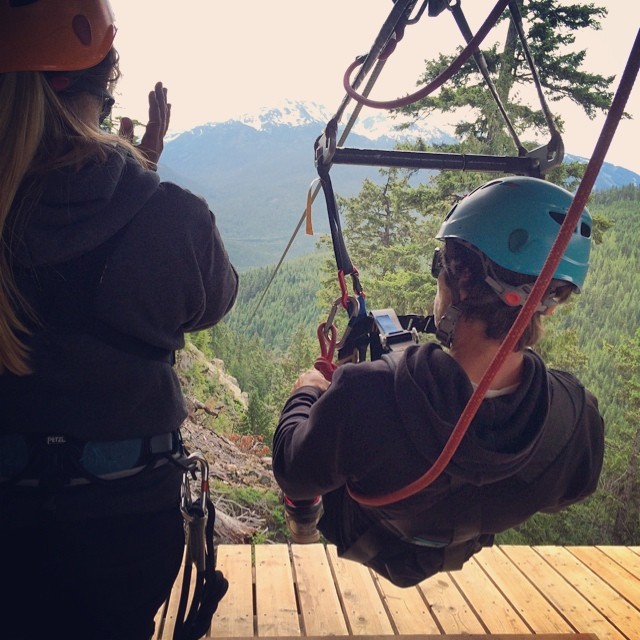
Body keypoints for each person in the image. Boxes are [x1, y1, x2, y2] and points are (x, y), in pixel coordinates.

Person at [0, 1, 238, 639]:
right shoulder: (170, 215)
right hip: (124, 526)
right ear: (103, 87)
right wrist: (140, 177)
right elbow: (213, 299)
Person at [273, 176, 605, 587]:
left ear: (463, 280)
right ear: (550, 305)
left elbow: (294, 471)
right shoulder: (573, 417)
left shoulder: (365, 395)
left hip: (363, 530)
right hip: (461, 544)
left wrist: (306, 392)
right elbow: (569, 490)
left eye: (440, 267)